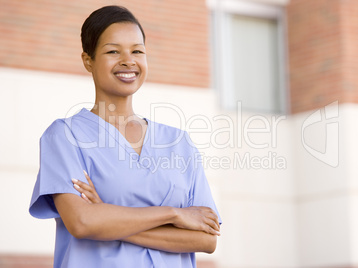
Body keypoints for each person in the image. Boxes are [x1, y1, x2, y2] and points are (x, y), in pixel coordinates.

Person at [29, 5, 221, 268]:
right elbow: (82, 222)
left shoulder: (178, 143)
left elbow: (207, 240)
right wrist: (175, 214)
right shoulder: (65, 136)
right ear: (88, 60)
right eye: (113, 51)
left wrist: (107, 216)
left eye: (137, 51)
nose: (128, 60)